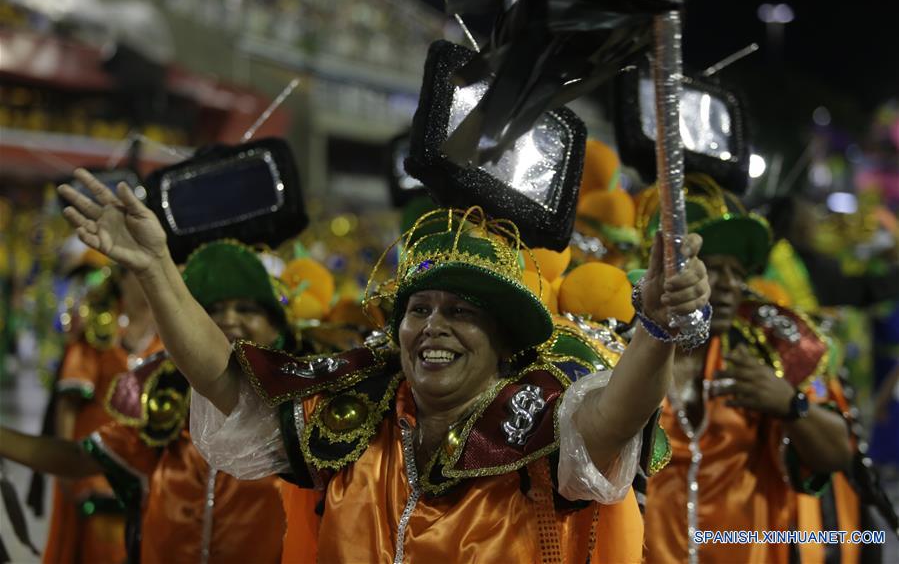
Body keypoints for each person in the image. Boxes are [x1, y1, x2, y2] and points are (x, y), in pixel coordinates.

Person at [57, 168, 711, 562]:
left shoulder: (537, 418)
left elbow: (612, 421)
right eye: (418, 307)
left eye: (459, 311)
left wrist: (653, 329)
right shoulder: (359, 411)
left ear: (504, 339)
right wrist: (155, 268)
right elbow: (231, 382)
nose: (431, 325)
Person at [0, 240, 310, 564]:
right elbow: (80, 458)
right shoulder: (169, 404)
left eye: (247, 309)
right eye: (213, 310)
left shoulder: (300, 415)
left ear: (276, 323)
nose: (228, 319)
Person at [638, 174, 854, 564]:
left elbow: (839, 453)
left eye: (738, 273)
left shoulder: (761, 354)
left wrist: (791, 405)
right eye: (714, 268)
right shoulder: (623, 352)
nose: (728, 286)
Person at [44, 261, 160, 564]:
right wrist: (66, 467)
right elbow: (68, 402)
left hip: (152, 468)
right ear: (121, 279)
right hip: (96, 464)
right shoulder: (99, 327)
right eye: (140, 272)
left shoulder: (172, 333)